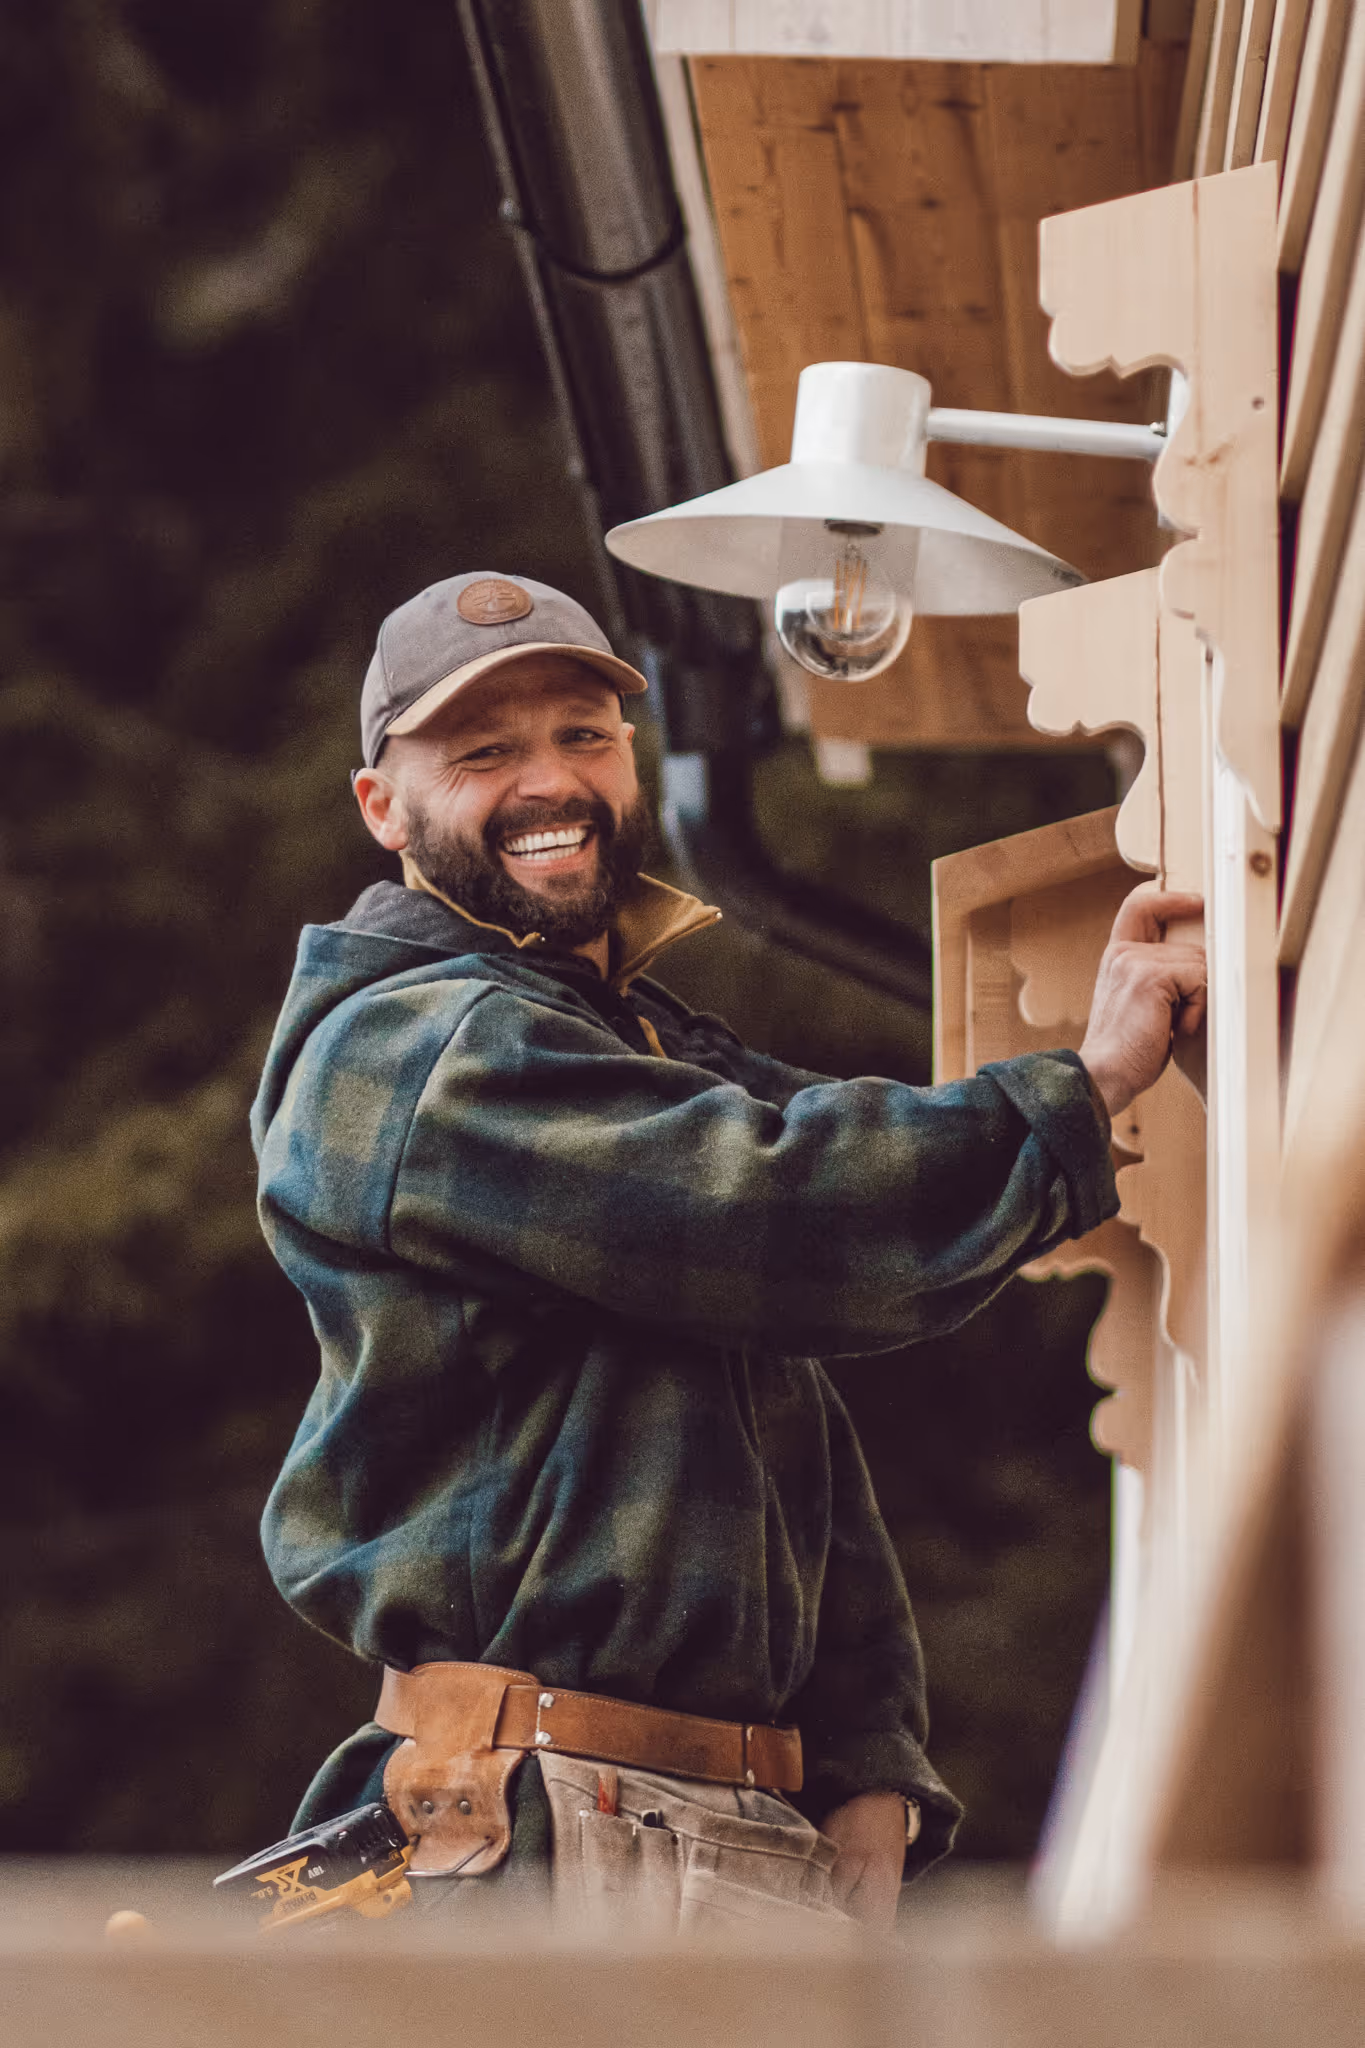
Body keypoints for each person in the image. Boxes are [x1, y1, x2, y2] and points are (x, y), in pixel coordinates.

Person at [251, 571, 1206, 1932]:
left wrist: (864, 1759)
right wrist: (1088, 1079)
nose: (549, 780)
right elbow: (794, 1211)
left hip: (694, 1819)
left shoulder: (625, 1042)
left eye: (584, 735)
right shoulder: (416, 1051)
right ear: (380, 807)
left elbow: (780, 1387)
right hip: (556, 1816)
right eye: (483, 752)